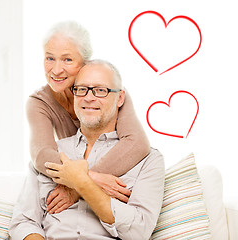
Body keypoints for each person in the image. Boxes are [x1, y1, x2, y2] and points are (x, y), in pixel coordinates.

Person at [9, 60, 165, 240]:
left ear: (120, 98)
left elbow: (139, 231)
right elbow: (23, 222)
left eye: (100, 90)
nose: (89, 98)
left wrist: (81, 182)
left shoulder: (148, 160)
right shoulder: (50, 155)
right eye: (82, 89)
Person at [27, 20, 150, 213]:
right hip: (83, 184)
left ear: (84, 63)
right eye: (50, 58)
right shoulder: (38, 102)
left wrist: (78, 187)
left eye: (67, 60)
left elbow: (137, 143)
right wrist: (89, 179)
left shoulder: (108, 89)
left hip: (117, 183)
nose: (56, 70)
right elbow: (42, 154)